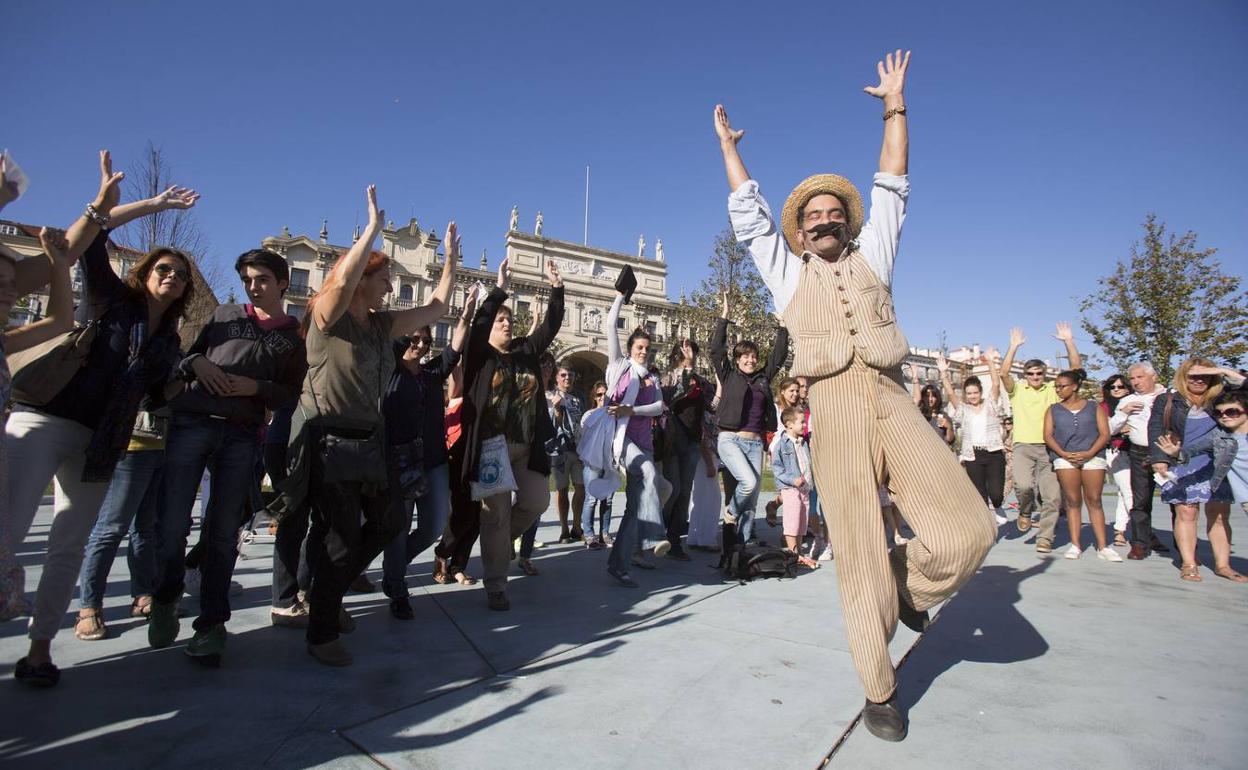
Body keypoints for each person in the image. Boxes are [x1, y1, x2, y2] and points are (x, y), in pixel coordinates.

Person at [715, 50, 996, 741]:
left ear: (847, 219)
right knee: (858, 552)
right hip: (832, 404)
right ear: (800, 229)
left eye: (833, 210)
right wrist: (728, 151)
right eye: (811, 213)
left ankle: (909, 588)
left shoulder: (875, 255)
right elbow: (750, 218)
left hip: (893, 397)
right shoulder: (785, 274)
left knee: (972, 531)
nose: (822, 218)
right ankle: (879, 688)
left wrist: (894, 106)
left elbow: (894, 184)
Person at [7, 152, 192, 686]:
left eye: (181, 276)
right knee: (9, 530)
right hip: (46, 417)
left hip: (101, 442)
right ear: (146, 272)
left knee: (70, 543)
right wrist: (146, 204)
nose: (172, 278)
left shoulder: (169, 341)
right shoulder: (110, 298)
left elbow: (159, 393)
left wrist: (193, 374)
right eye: (164, 269)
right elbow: (91, 237)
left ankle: (40, 651)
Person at [274, 186, 455, 666]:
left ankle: (324, 593)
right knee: (338, 536)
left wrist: (452, 263)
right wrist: (372, 230)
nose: (391, 288)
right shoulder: (327, 317)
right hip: (327, 440)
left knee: (389, 521)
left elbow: (436, 309)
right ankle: (321, 631)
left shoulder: (380, 326)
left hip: (368, 444)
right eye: (385, 279)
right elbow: (338, 284)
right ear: (362, 280)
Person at [147, 248, 307, 664]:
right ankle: (165, 596)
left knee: (221, 535)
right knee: (170, 525)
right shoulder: (224, 316)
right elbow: (187, 355)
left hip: (241, 435)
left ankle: (211, 626)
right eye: (248, 280)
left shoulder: (293, 335)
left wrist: (254, 389)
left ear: (283, 283)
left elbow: (291, 392)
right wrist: (198, 364)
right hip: (193, 423)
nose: (254, 287)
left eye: (262, 279)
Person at [456, 256, 565, 611]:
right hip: (491, 449)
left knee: (537, 501)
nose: (506, 323)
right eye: (501, 320)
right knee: (496, 516)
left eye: (509, 319)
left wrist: (557, 289)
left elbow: (549, 327)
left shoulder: (525, 352)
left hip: (526, 446)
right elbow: (480, 321)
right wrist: (498, 290)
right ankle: (496, 584)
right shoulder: (480, 357)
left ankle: (499, 548)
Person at [378, 285, 479, 620]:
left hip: (433, 461)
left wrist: (466, 313)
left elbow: (455, 347)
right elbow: (387, 336)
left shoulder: (433, 373)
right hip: (400, 462)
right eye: (411, 339)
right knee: (400, 524)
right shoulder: (388, 371)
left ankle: (396, 563)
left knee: (434, 525)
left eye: (423, 340)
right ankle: (397, 588)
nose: (418, 345)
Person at [0, 228, 78, 624]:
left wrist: (59, 265)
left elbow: (61, 319)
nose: (9, 293)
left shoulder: (4, 342)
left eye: (11, 284)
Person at [74, 409, 168, 640]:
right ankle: (89, 608)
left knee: (145, 528)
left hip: (161, 444)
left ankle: (143, 595)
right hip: (131, 443)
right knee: (110, 529)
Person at [602, 288, 673, 587]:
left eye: (647, 348)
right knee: (646, 471)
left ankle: (619, 563)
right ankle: (654, 536)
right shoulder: (619, 366)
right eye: (639, 347)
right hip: (621, 440)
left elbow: (658, 406)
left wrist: (632, 409)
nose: (643, 351)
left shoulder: (652, 377)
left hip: (643, 443)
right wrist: (621, 297)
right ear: (630, 348)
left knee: (662, 489)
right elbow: (609, 325)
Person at [1150, 358, 1243, 583]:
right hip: (1180, 459)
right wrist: (1160, 459)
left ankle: (1223, 565)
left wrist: (1219, 370)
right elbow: (1156, 428)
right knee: (1187, 512)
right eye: (1193, 376)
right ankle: (1189, 563)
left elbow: (1243, 382)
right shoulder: (1168, 399)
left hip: (1216, 461)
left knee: (1219, 515)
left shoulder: (1222, 397)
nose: (1199, 380)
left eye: (1205, 375)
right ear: (1183, 376)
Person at [711, 290, 789, 547]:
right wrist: (724, 317)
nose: (750, 359)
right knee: (749, 482)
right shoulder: (729, 375)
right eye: (745, 356)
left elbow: (777, 357)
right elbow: (715, 350)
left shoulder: (762, 378)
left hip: (755, 442)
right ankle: (730, 514)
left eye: (754, 356)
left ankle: (744, 541)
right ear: (737, 359)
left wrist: (782, 328)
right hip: (730, 439)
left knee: (752, 496)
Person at [1000, 323, 1083, 552]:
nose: (1035, 377)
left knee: (1052, 497)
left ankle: (1045, 537)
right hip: (1023, 446)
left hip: (1049, 448)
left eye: (1039, 373)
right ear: (1025, 375)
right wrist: (1013, 346)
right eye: (1030, 374)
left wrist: (1068, 341)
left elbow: (1076, 372)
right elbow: (1004, 373)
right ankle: (1025, 511)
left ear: (1044, 375)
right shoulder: (1017, 390)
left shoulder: (1052, 391)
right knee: (1024, 486)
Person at [1043, 369, 1118, 561]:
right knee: (1072, 501)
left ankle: (1103, 546)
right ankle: (1076, 544)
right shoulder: (1053, 409)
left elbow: (1104, 433)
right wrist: (1063, 454)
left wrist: (1090, 453)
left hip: (1092, 456)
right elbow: (1048, 436)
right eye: (1056, 387)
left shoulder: (1094, 407)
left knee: (1094, 500)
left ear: (1075, 386)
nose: (1058, 389)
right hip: (1065, 458)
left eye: (1062, 386)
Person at [1108, 361, 1173, 560]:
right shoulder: (1127, 401)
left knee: (1177, 502)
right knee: (1140, 501)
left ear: (1154, 377)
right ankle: (1139, 544)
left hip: (1168, 454)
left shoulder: (1171, 396)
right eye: (1132, 378)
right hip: (1138, 454)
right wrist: (1123, 413)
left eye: (1140, 377)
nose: (1135, 382)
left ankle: (1185, 546)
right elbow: (1110, 430)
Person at [937, 351, 1009, 524]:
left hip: (994, 454)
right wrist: (943, 373)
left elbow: (996, 384)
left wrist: (991, 362)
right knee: (980, 496)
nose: (972, 396)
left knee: (996, 493)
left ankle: (998, 506)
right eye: (969, 394)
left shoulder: (990, 404)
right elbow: (951, 394)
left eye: (975, 392)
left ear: (980, 392)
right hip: (973, 456)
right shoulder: (964, 409)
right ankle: (986, 529)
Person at [661, 338, 713, 559]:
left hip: (692, 441)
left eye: (693, 352)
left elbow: (712, 406)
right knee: (673, 490)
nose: (690, 355)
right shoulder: (668, 377)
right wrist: (687, 368)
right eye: (686, 352)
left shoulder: (701, 381)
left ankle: (674, 541)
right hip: (672, 440)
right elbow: (671, 398)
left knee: (684, 493)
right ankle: (657, 529)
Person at [1157, 389, 1248, 509]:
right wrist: (1176, 453)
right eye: (1218, 413)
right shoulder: (1219, 436)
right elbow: (1194, 449)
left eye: (1231, 411)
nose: (1224, 416)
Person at [771, 406, 820, 569]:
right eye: (802, 422)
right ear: (789, 424)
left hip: (805, 488)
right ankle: (793, 553)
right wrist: (792, 480)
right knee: (792, 520)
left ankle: (798, 552)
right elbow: (777, 469)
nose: (805, 425)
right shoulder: (781, 444)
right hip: (791, 489)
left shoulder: (802, 443)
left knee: (801, 521)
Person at [548, 362, 587, 545]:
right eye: (563, 375)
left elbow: (584, 421)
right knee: (561, 490)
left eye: (570, 375)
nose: (567, 378)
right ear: (556, 378)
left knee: (581, 488)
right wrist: (557, 409)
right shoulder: (551, 396)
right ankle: (564, 529)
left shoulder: (579, 397)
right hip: (559, 450)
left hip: (579, 450)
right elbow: (551, 425)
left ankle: (576, 527)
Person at [579, 381, 616, 548]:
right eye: (599, 395)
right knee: (591, 499)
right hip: (592, 463)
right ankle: (589, 535)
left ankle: (605, 533)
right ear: (594, 397)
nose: (602, 397)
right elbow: (583, 438)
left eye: (605, 394)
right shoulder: (589, 415)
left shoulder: (615, 414)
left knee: (607, 500)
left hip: (609, 462)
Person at [1100, 374, 1133, 546]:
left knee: (1123, 491)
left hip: (1138, 450)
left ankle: (1120, 529)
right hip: (1115, 450)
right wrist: (1121, 427)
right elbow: (1107, 430)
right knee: (1128, 490)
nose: (1116, 390)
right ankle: (1142, 527)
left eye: (1120, 387)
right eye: (1112, 387)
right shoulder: (1104, 407)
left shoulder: (1136, 403)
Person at [911, 370, 955, 446]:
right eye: (927, 396)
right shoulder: (919, 415)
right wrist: (915, 379)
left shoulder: (942, 416)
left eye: (933, 396)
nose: (930, 399)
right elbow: (916, 399)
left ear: (937, 398)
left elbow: (950, 440)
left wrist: (949, 428)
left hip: (940, 454)